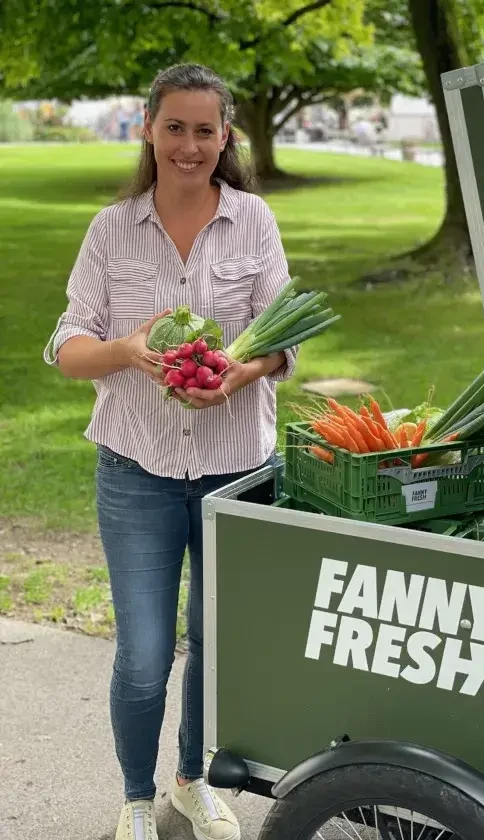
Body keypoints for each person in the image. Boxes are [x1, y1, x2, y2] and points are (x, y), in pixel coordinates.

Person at [43, 63, 296, 840]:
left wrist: (236, 374)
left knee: (214, 647)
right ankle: (132, 794)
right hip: (137, 473)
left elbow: (284, 340)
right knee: (146, 656)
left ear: (227, 138)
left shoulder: (253, 219)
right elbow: (65, 345)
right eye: (175, 127)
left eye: (206, 130)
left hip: (237, 472)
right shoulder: (112, 229)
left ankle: (190, 781)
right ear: (149, 128)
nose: (190, 145)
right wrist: (124, 349)